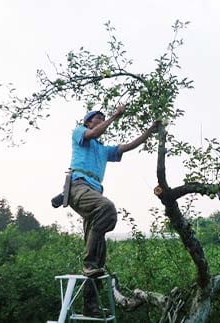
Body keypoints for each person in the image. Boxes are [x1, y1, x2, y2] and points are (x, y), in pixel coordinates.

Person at [68, 104, 158, 317]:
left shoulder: (102, 149)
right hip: (78, 186)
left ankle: (91, 307)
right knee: (107, 208)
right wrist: (115, 116)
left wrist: (150, 131)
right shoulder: (80, 133)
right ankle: (89, 263)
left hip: (94, 193)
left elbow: (128, 146)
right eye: (97, 117)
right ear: (88, 122)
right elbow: (95, 132)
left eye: (103, 117)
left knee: (100, 256)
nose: (100, 119)